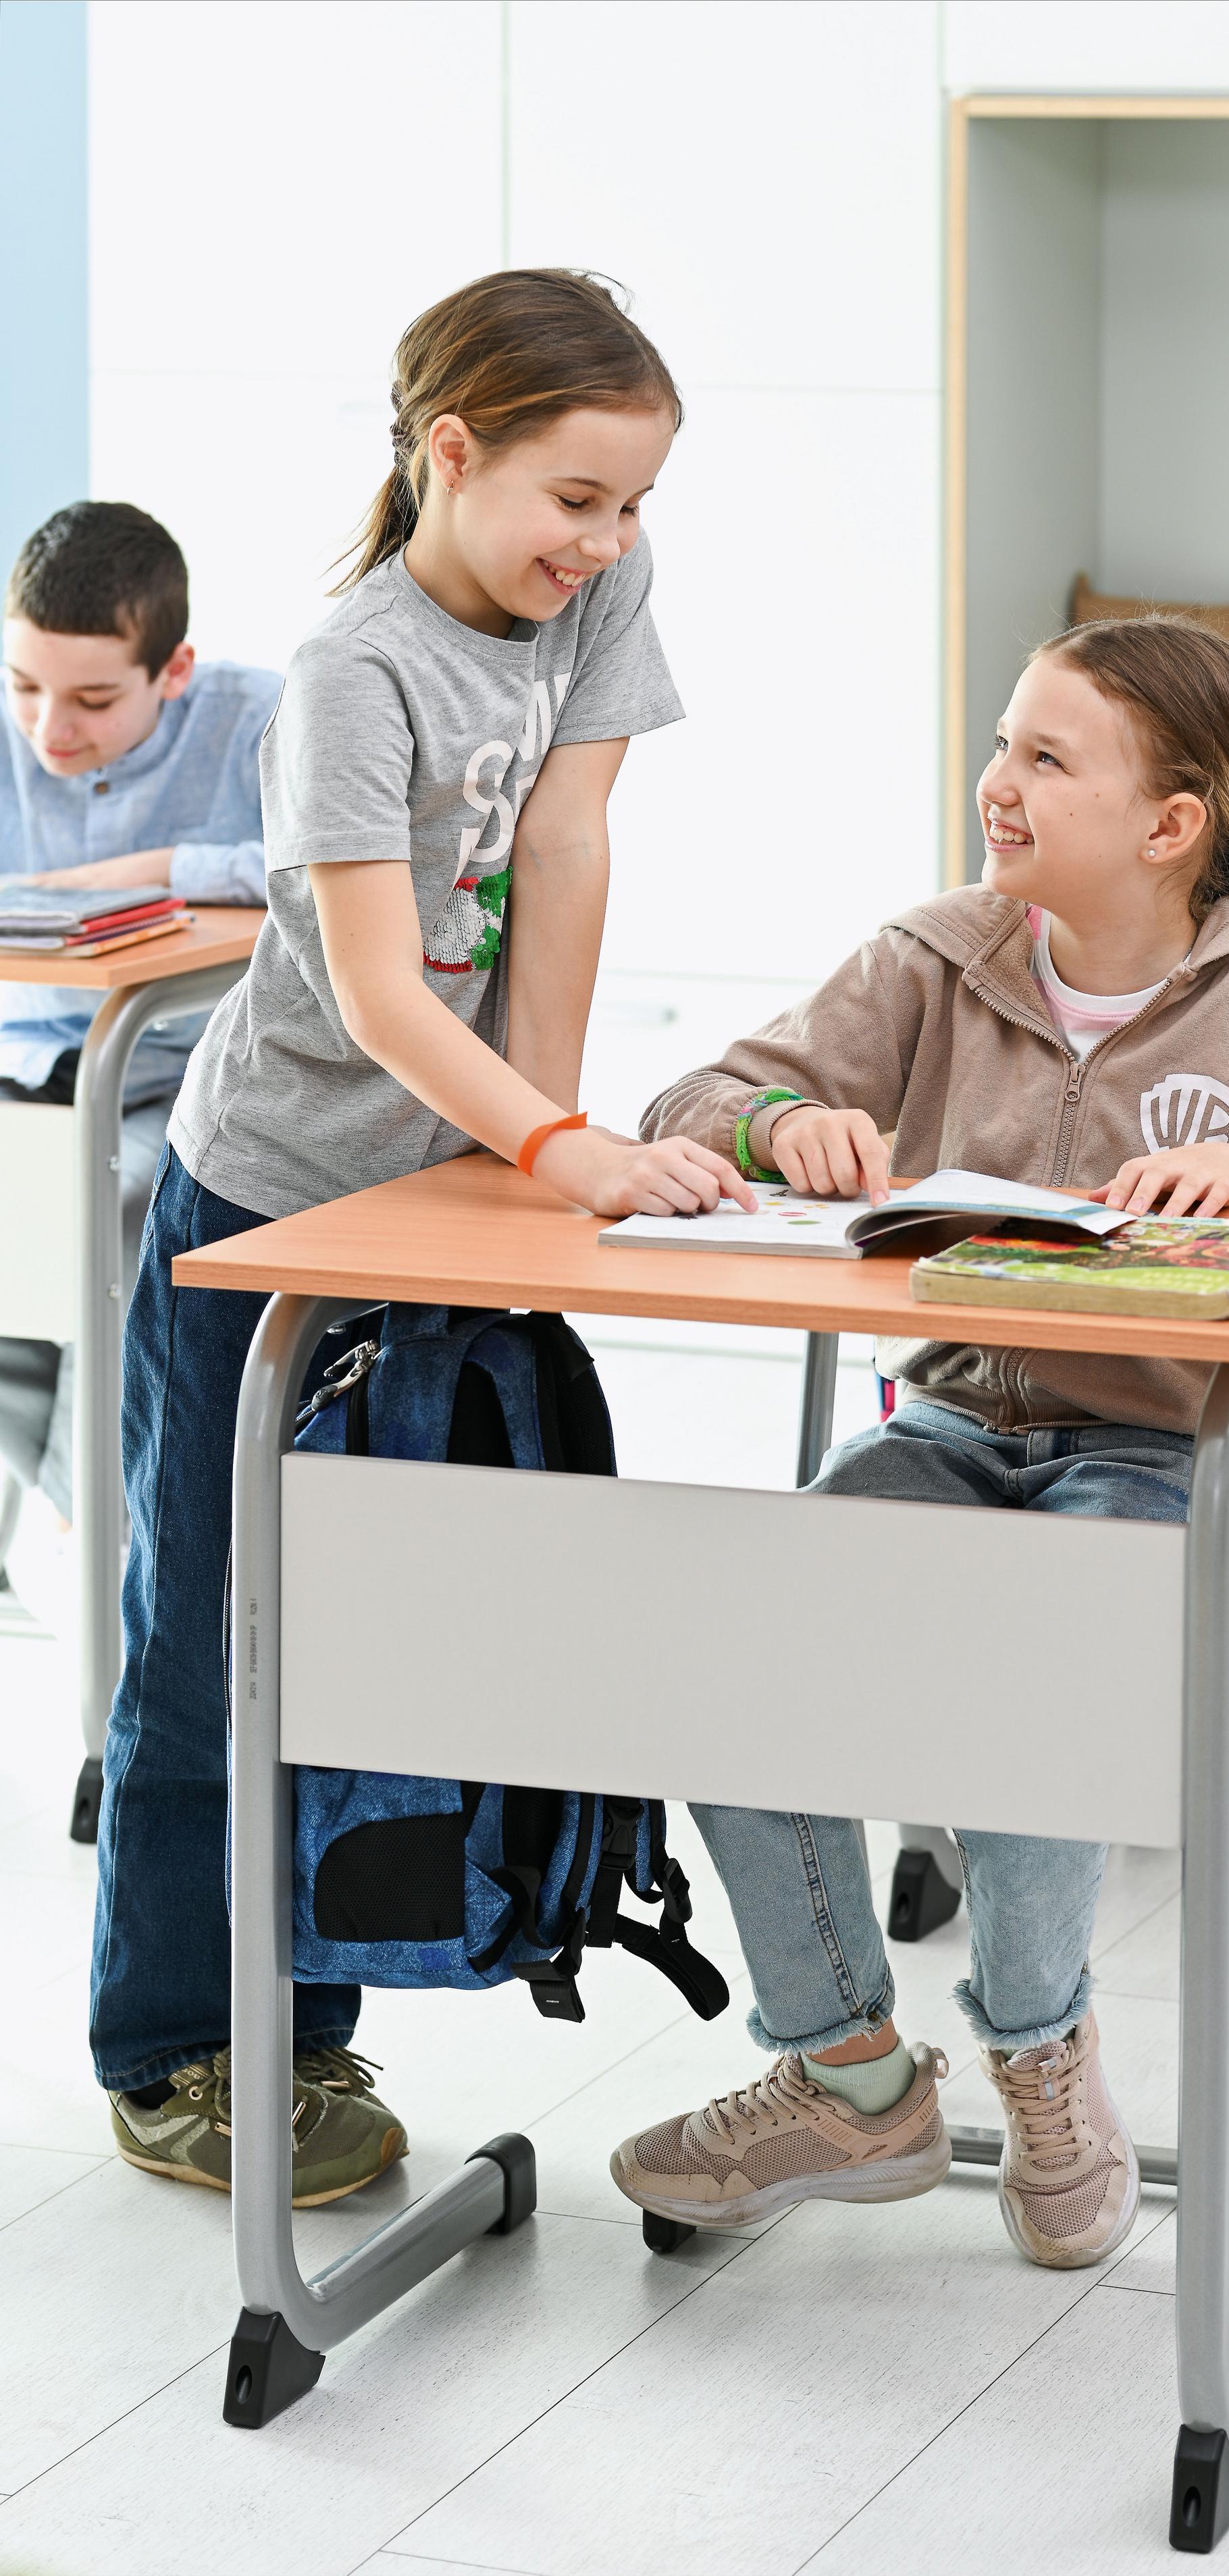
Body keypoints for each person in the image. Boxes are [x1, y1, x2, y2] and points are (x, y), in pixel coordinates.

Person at [608, 613, 1229, 2268]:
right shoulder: (937, 952)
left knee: (1046, 1659)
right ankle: (849, 2074)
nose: (999, 784)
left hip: (1184, 1470)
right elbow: (686, 1103)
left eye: (1048, 758)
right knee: (715, 1641)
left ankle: (1041, 2056)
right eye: (1001, 743)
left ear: (1171, 821)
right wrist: (783, 1121)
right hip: (961, 1429)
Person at [95, 267, 753, 2205]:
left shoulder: (594, 594)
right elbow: (381, 994)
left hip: (440, 1192)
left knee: (368, 1633)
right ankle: (173, 2051)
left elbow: (563, 845)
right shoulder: (351, 676)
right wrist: (552, 1143)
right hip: (276, 1201)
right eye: (573, 497)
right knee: (214, 1641)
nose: (606, 542)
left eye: (633, 504)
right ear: (448, 453)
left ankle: (306, 2027)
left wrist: (530, 1167)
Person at [0, 503, 276, 1572]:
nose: (49, 731)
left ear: (175, 671)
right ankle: (86, 1543)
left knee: (123, 1216)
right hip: (28, 1063)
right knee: (25, 1250)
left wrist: (142, 872)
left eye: (94, 699)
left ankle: (115, 1573)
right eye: (23, 686)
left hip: (179, 1074)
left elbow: (322, 862)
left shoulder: (259, 716)